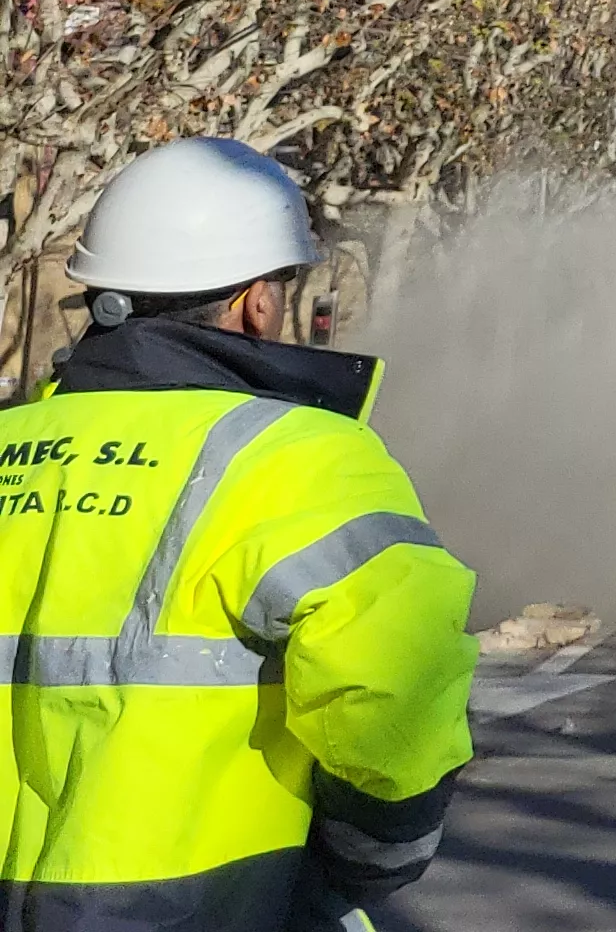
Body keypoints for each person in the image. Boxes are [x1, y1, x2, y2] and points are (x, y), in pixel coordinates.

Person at [0, 138, 477, 929]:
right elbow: (395, 711)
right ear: (258, 300)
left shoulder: (13, 442)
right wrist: (354, 874)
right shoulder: (306, 458)